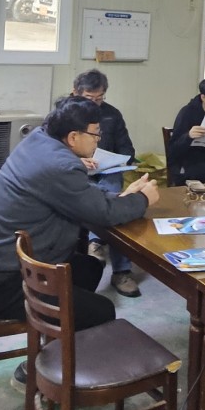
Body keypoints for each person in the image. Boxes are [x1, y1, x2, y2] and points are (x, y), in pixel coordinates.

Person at [0, 95, 160, 388]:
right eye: (95, 135)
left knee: (89, 269)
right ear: (73, 137)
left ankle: (58, 344)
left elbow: (82, 200)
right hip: (0, 286)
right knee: (101, 311)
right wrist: (142, 200)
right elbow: (102, 213)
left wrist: (123, 198)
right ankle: (51, 374)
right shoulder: (60, 165)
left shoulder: (37, 141)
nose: (98, 141)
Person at [71, 69, 142, 297]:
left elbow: (127, 149)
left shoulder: (112, 115)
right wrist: (79, 161)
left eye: (99, 98)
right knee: (104, 200)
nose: (94, 103)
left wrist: (119, 160)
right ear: (76, 93)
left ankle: (119, 268)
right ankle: (98, 242)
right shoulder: (65, 115)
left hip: (107, 171)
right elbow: (54, 153)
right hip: (76, 171)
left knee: (117, 198)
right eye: (89, 98)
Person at [167, 76, 205, 186]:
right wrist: (188, 136)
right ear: (204, 98)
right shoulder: (187, 113)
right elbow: (172, 150)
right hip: (188, 162)